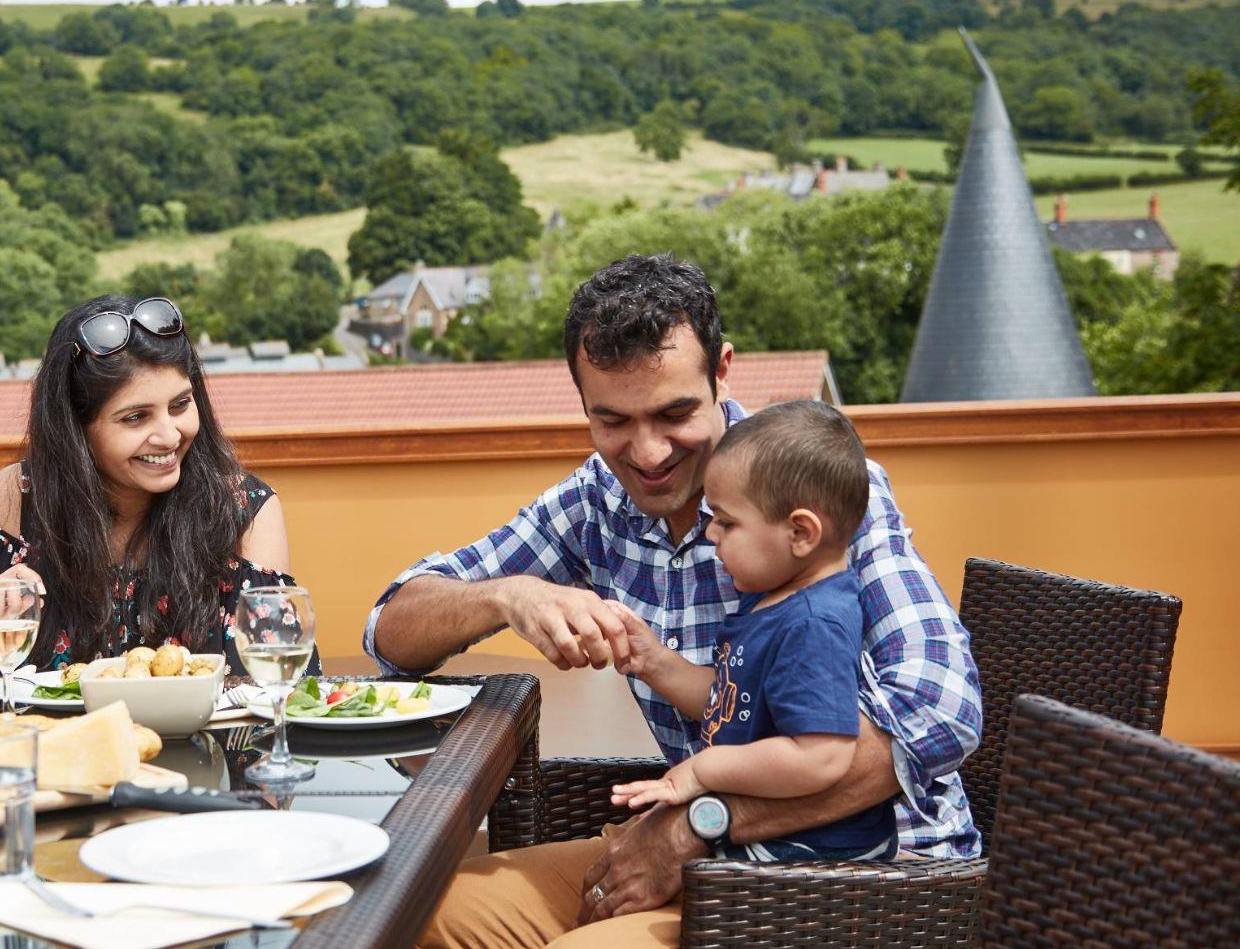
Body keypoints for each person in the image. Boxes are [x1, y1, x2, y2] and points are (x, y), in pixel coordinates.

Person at [366, 255, 980, 949]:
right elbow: (389, 629)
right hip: (715, 862)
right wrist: (510, 594)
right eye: (612, 421)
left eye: (675, 412)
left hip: (867, 879)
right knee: (425, 915)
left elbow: (942, 710)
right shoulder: (594, 503)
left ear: (722, 371)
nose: (648, 451)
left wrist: (699, 824)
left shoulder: (821, 492)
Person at [0, 295, 294, 679]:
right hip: (47, 761)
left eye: (180, 405)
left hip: (202, 763)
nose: (169, 435)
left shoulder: (243, 509)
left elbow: (278, 679)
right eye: (135, 418)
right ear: (75, 431)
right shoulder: (16, 497)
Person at [607, 401, 898, 863]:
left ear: (800, 533)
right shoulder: (769, 599)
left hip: (811, 862)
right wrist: (653, 660)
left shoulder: (813, 623)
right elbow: (730, 701)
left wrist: (701, 771)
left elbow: (821, 756)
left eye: (726, 521)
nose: (710, 534)